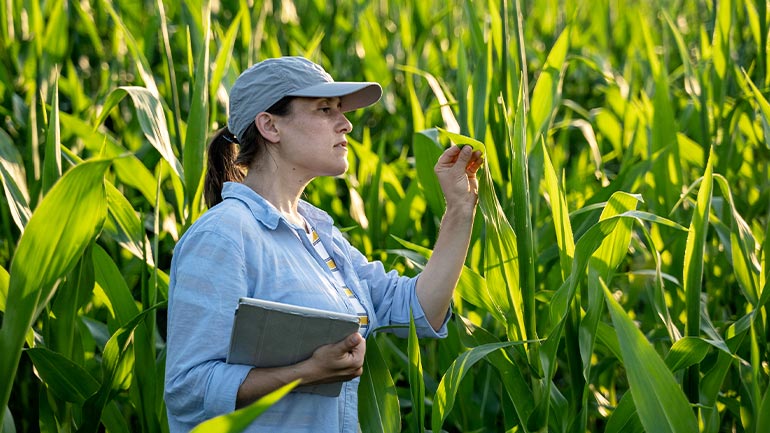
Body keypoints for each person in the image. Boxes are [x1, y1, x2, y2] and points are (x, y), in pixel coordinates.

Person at [164, 56, 483, 432]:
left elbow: (418, 310)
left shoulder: (318, 232)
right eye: (324, 109)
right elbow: (188, 388)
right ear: (270, 125)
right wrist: (304, 373)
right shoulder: (223, 236)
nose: (346, 123)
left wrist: (460, 210)